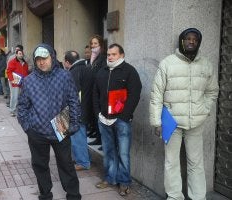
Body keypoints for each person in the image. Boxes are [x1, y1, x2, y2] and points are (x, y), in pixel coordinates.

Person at [149, 28, 219, 200]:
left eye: (195, 39)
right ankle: (174, 197)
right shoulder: (167, 63)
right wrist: (156, 121)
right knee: (171, 162)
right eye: (188, 38)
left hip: (196, 122)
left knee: (196, 163)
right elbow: (156, 94)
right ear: (182, 41)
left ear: (198, 42)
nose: (191, 42)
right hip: (171, 122)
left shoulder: (206, 65)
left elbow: (212, 91)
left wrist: (205, 109)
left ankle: (198, 197)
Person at [17, 44, 81, 200]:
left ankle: (73, 195)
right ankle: (45, 194)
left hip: (61, 125)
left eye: (44, 58)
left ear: (52, 57)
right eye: (38, 59)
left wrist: (73, 124)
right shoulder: (29, 81)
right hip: (37, 131)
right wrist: (28, 127)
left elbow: (74, 101)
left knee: (66, 164)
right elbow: (22, 107)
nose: (41, 62)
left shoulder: (64, 76)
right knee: (40, 165)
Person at [93, 43, 142, 196]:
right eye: (108, 54)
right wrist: (97, 114)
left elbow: (135, 94)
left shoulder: (129, 71)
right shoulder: (102, 71)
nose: (110, 57)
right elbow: (95, 93)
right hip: (104, 119)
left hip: (121, 120)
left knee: (123, 153)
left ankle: (124, 182)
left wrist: (124, 116)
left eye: (114, 54)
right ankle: (110, 178)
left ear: (121, 55)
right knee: (108, 151)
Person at [63, 50, 92, 171]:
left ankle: (83, 162)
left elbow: (74, 94)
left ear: (67, 62)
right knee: (81, 135)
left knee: (77, 135)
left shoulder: (74, 72)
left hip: (78, 110)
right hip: (86, 108)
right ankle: (84, 158)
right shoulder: (86, 68)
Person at [87, 35, 107, 147]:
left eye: (96, 43)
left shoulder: (103, 57)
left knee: (99, 117)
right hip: (92, 90)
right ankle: (98, 138)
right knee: (94, 116)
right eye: (92, 44)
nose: (93, 46)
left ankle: (102, 141)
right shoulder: (93, 57)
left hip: (99, 92)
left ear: (101, 45)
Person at [6, 49, 29, 117]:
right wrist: (12, 79)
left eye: (22, 54)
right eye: (19, 53)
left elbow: (26, 72)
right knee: (14, 96)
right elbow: (9, 71)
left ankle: (19, 110)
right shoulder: (12, 62)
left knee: (20, 97)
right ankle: (12, 110)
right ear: (16, 54)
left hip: (22, 81)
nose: (21, 55)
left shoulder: (25, 63)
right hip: (14, 81)